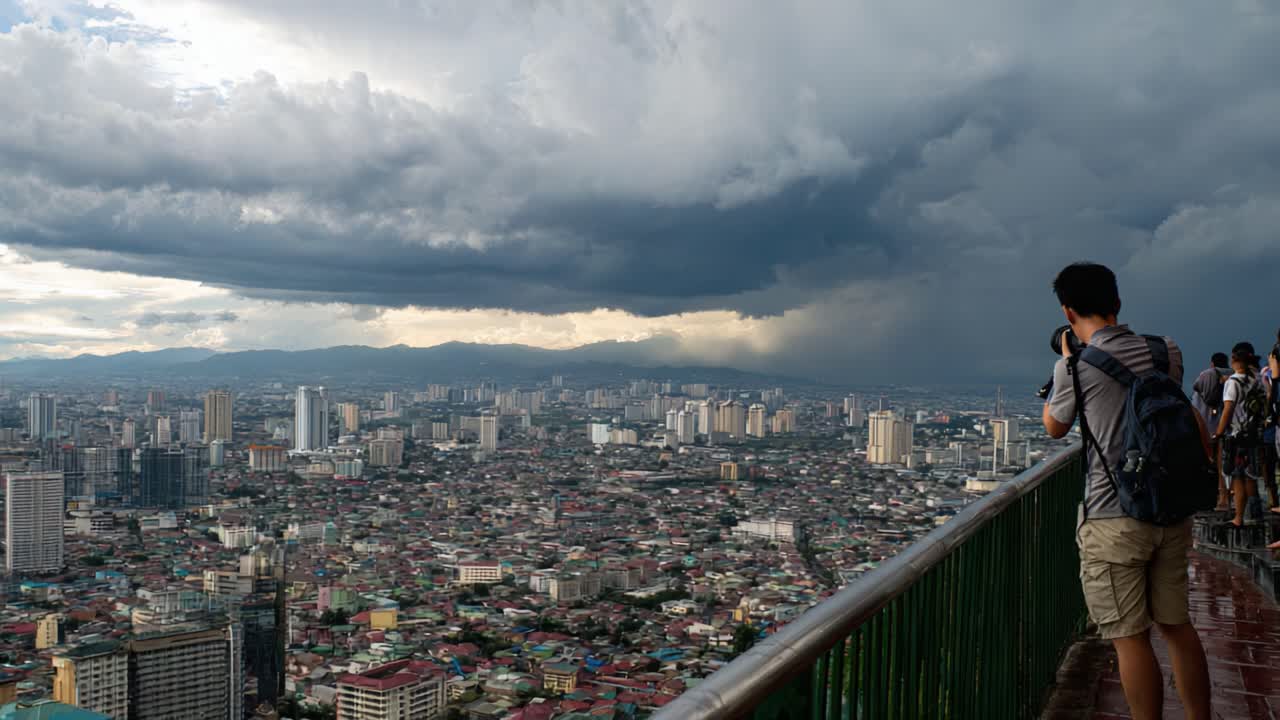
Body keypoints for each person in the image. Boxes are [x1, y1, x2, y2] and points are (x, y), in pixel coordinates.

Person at [1041, 262, 1211, 720]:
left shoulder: (1074, 365)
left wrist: (1065, 358)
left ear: (1067, 310)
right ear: (1117, 303)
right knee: (1177, 626)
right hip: (1170, 509)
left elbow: (1055, 427)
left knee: (1129, 637)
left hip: (1112, 515)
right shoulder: (1165, 351)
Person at [1213, 342, 1264, 526]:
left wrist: (1218, 433)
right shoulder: (1256, 380)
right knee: (1251, 476)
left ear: (1234, 360)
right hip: (1254, 434)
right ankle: (1255, 514)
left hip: (1237, 435)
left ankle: (1239, 517)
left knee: (1237, 476)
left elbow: (1227, 410)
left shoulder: (1233, 382)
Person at [1190, 353, 1231, 508]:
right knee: (1224, 464)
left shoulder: (1206, 374)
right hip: (1223, 426)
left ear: (1212, 363)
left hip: (1204, 424)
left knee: (1205, 461)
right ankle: (1224, 498)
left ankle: (1206, 496)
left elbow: (1195, 386)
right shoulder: (1233, 375)